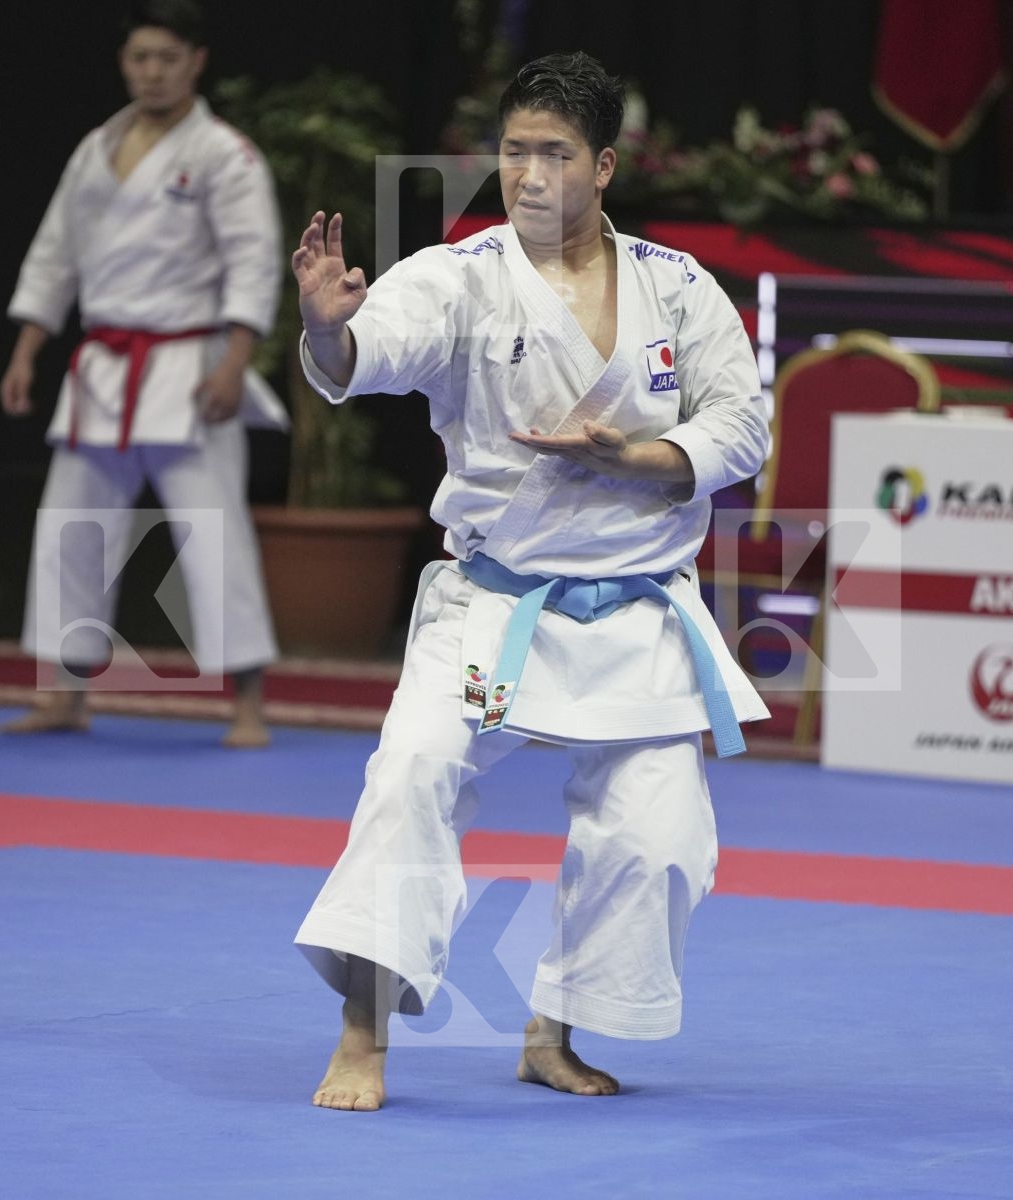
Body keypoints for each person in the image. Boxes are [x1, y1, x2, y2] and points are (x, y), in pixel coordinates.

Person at [290, 51, 770, 1111]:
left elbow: (743, 426)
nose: (530, 175)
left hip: (638, 607)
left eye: (554, 153)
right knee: (412, 773)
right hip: (496, 603)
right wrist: (330, 327)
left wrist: (636, 458)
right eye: (514, 152)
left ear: (603, 166)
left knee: (656, 838)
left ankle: (552, 1032)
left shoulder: (679, 287)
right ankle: (362, 1033)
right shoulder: (460, 275)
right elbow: (374, 348)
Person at [0, 0, 281, 747]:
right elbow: (54, 253)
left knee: (212, 532)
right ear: (124, 64)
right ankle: (65, 692)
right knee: (70, 529)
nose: (151, 72)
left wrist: (234, 362)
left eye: (166, 58)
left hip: (189, 366)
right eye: (139, 59)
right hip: (101, 367)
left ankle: (247, 702)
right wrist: (28, 349)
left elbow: (254, 262)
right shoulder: (98, 146)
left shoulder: (225, 154)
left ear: (196, 62)